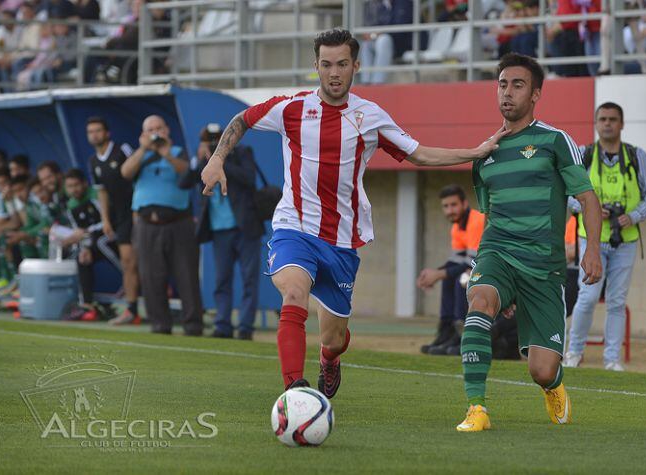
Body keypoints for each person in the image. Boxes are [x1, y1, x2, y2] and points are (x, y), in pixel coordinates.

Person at [201, 28, 507, 398]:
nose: (334, 72)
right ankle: (295, 392)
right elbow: (242, 120)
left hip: (342, 240)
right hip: (293, 228)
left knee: (333, 337)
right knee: (294, 293)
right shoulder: (292, 108)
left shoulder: (371, 117)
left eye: (342, 64)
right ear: (315, 65)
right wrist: (217, 159)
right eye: (326, 64)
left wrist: (474, 152)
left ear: (356, 66)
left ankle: (330, 358)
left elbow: (419, 153)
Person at [456, 53, 603, 432]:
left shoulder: (555, 142)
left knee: (541, 369)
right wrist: (499, 281)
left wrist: (592, 249)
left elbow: (588, 198)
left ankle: (552, 386)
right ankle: (477, 408)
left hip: (543, 267)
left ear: (536, 94)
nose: (507, 92)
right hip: (498, 254)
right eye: (502, 84)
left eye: (517, 85)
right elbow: (492, 215)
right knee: (480, 300)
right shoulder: (484, 154)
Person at [564, 102, 646, 371]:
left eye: (613, 119)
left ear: (622, 124)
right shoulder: (583, 154)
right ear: (595, 123)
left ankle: (612, 359)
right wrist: (590, 208)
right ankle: (574, 353)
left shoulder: (637, 156)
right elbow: (567, 194)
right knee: (588, 296)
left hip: (625, 240)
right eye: (603, 119)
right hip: (591, 239)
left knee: (617, 301)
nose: (607, 123)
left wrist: (633, 216)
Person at [180, 124, 264, 340]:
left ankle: (245, 327)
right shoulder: (202, 160)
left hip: (245, 227)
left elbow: (249, 178)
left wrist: (221, 160)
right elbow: (185, 182)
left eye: (218, 140)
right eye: (210, 141)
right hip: (219, 230)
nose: (215, 145)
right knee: (222, 280)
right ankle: (223, 325)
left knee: (249, 279)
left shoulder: (243, 152)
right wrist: (201, 161)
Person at [120, 115, 203, 336]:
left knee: (186, 274)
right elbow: (125, 172)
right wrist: (142, 149)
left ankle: (193, 325)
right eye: (151, 129)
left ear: (167, 130)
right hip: (147, 224)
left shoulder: (177, 152)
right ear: (143, 133)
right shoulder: (141, 155)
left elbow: (188, 173)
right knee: (150, 276)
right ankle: (160, 324)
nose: (156, 132)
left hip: (179, 222)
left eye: (159, 128)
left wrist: (166, 153)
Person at [417, 184, 486, 356]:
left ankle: (460, 333)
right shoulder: (457, 226)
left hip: (493, 268)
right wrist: (433, 274)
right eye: (445, 206)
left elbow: (472, 263)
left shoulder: (476, 221)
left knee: (462, 279)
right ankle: (446, 331)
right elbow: (455, 261)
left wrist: (438, 274)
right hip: (476, 267)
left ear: (464, 203)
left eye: (453, 205)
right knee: (449, 277)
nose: (449, 210)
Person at [86, 116, 139, 325]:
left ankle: (136, 307)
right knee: (128, 262)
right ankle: (131, 308)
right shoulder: (92, 161)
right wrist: (105, 220)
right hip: (117, 217)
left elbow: (138, 178)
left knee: (132, 260)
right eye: (90, 132)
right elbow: (102, 193)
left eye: (98, 130)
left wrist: (136, 211)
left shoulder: (123, 150)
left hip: (133, 212)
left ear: (107, 133)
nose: (94, 135)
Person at [62, 168, 122, 319]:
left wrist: (86, 234)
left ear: (84, 184)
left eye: (76, 185)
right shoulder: (71, 205)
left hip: (112, 234)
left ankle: (130, 278)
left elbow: (107, 222)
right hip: (91, 242)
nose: (74, 189)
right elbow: (78, 233)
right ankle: (87, 304)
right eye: (69, 186)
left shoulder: (95, 196)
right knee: (80, 257)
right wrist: (85, 247)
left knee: (102, 243)